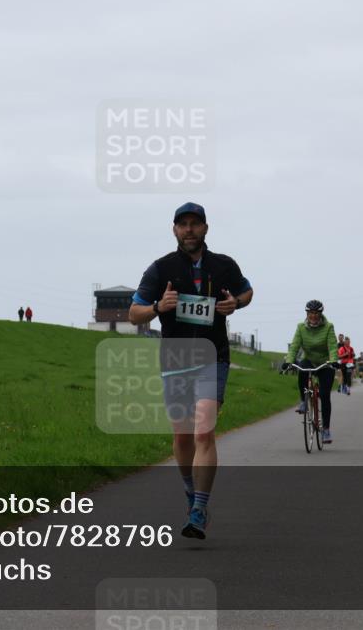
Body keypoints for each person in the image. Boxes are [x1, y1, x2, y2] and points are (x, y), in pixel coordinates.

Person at [129, 202, 253, 540]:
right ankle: (189, 489)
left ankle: (199, 508)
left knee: (203, 433)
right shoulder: (161, 269)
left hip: (214, 358)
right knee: (183, 436)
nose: (189, 230)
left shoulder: (224, 265)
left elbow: (247, 290)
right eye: (182, 224)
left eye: (194, 224)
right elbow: (134, 313)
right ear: (174, 230)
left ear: (205, 229)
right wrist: (157, 307)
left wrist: (236, 304)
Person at [281, 300, 339, 444]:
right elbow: (295, 346)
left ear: (321, 314)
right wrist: (289, 361)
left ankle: (326, 430)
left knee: (325, 395)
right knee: (302, 369)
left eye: (316, 313)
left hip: (325, 363)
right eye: (310, 313)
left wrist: (333, 360)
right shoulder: (301, 327)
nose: (313, 316)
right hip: (309, 360)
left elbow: (332, 346)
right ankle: (303, 401)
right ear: (307, 314)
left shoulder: (328, 327)